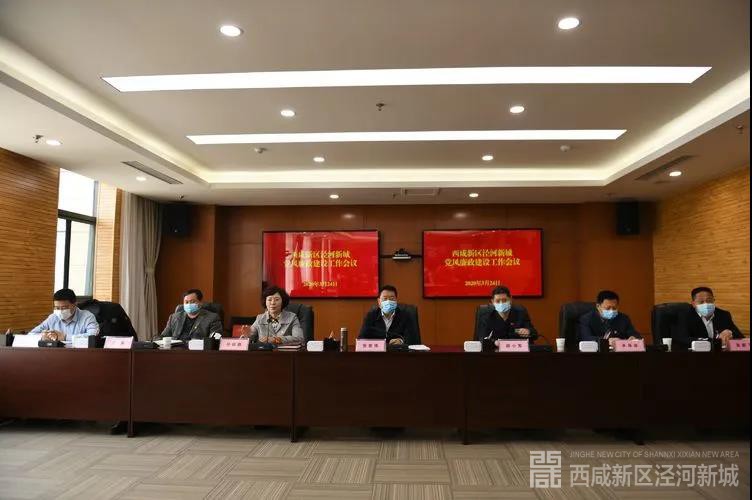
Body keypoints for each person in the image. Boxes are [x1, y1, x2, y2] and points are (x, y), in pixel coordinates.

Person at [674, 286, 743, 349]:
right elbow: (682, 339)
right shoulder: (684, 316)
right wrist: (715, 341)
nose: (706, 304)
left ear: (713, 300)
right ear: (693, 304)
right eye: (701, 302)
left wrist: (730, 332)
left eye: (709, 300)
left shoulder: (723, 315)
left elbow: (740, 336)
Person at [30, 288, 99, 341]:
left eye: (64, 308)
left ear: (75, 304)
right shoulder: (53, 317)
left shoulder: (87, 317)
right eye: (57, 308)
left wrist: (65, 337)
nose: (60, 311)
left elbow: (93, 336)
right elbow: (31, 334)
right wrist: (42, 337)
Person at [158, 289, 223, 341]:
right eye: (186, 302)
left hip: (197, 351)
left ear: (200, 303)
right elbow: (163, 336)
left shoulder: (212, 318)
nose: (189, 304)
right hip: (175, 350)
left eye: (192, 302)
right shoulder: (174, 317)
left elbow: (215, 339)